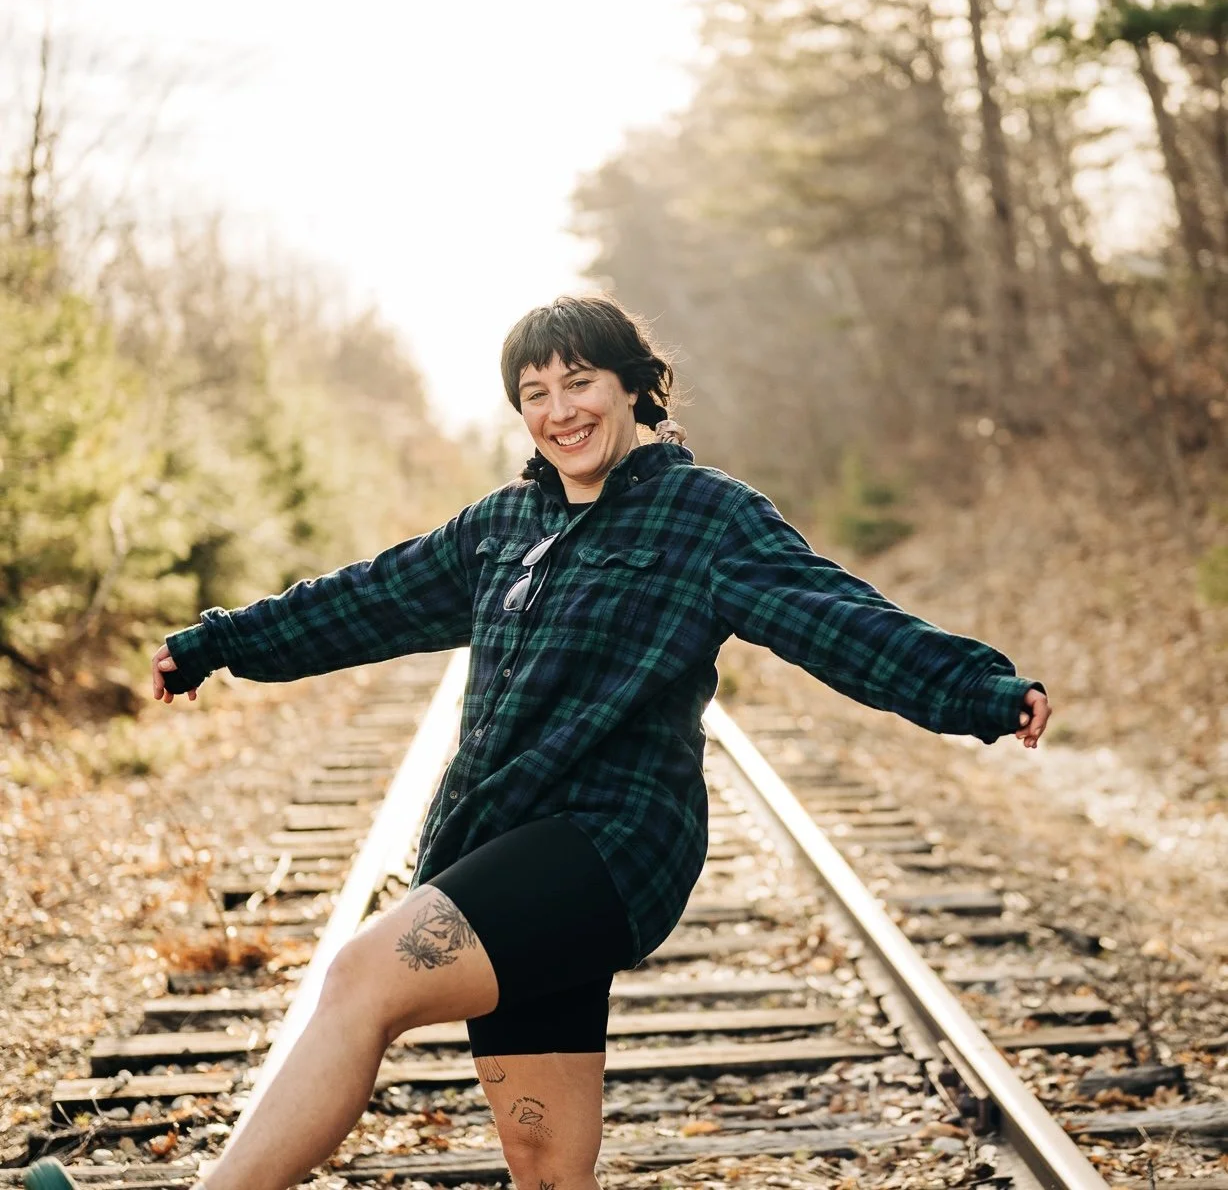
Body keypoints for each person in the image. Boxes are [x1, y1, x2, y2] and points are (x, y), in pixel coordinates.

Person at [27, 293, 1049, 1190]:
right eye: (535, 391)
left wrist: (978, 690)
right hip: (500, 848)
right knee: (549, 1167)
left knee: (358, 980)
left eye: (581, 381)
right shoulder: (501, 525)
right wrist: (217, 643)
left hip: (609, 842)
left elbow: (837, 618)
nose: (561, 408)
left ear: (636, 388)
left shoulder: (706, 518)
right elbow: (362, 601)